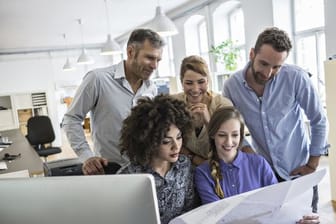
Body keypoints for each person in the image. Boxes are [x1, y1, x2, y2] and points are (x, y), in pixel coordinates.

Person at [222, 27, 328, 213]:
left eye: (276, 67)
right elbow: (231, 127)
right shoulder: (232, 86)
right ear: (252, 54)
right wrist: (247, 150)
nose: (268, 73)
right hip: (265, 175)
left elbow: (318, 120)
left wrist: (312, 164)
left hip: (299, 171)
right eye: (263, 64)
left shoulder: (296, 78)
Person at [62, 28, 165, 175]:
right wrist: (87, 157)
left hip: (143, 170)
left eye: (158, 60)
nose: (154, 66)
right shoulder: (97, 79)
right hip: (109, 170)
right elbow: (71, 119)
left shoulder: (151, 88)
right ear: (130, 52)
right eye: (149, 58)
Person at [194, 106, 320, 224]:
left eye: (235, 135)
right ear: (212, 135)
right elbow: (216, 219)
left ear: (241, 136)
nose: (229, 142)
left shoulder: (259, 163)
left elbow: (278, 205)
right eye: (222, 135)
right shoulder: (203, 173)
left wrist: (299, 219)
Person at [117, 95, 196, 224]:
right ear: (149, 142)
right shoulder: (127, 176)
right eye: (166, 141)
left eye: (179, 137)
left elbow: (190, 210)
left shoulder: (184, 165)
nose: (176, 146)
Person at [171, 55, 233, 166]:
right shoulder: (174, 103)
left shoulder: (222, 105)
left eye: (201, 82)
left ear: (208, 81)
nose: (195, 89)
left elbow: (229, 144)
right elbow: (167, 141)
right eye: (189, 83)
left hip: (218, 167)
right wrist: (194, 158)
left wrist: (209, 122)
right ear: (181, 82)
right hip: (184, 166)